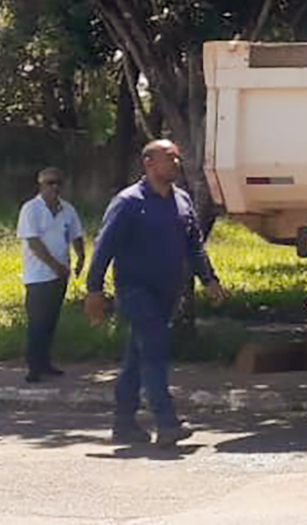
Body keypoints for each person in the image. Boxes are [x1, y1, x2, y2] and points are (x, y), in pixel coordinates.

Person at [84, 140, 228, 447]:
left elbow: (194, 245)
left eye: (177, 157)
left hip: (167, 292)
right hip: (135, 291)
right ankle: (166, 422)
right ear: (148, 162)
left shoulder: (182, 201)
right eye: (170, 158)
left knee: (137, 358)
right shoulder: (128, 202)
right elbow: (103, 247)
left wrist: (208, 279)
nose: (176, 163)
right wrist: (94, 290)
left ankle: (123, 425)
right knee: (155, 349)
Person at [18, 167, 85, 383]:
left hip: (61, 274)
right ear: (41, 185)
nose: (55, 187)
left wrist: (81, 256)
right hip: (38, 275)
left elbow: (76, 234)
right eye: (50, 183)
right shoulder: (31, 209)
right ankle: (33, 366)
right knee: (37, 321)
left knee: (51, 321)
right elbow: (34, 243)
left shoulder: (67, 209)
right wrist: (54, 265)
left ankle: (45, 362)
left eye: (59, 183)